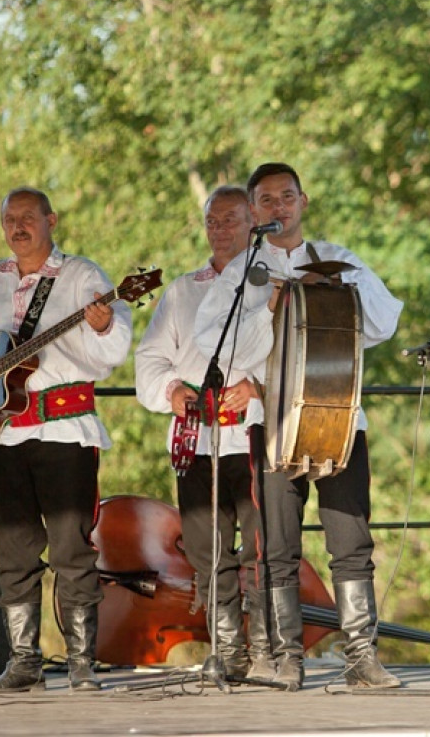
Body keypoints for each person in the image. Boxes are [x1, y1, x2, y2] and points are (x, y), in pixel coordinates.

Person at [194, 162, 404, 691]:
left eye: (287, 197)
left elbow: (382, 323)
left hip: (337, 416)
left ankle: (362, 658)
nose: (278, 208)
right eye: (266, 200)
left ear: (303, 202)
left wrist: (336, 288)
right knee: (278, 545)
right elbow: (214, 346)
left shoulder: (340, 259)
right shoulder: (241, 272)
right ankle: (289, 658)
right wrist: (269, 305)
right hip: (272, 422)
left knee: (351, 539)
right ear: (252, 210)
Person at [0, 187, 132, 692]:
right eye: (10, 219)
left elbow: (115, 352)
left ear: (51, 220)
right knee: (14, 548)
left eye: (28, 218)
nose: (18, 227)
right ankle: (24, 662)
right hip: (1, 431)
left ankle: (82, 661)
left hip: (64, 428)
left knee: (70, 545)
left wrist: (103, 328)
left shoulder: (83, 276)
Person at [134, 186, 264, 682]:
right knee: (207, 550)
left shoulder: (268, 282)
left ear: (253, 221)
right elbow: (150, 357)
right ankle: (228, 652)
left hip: (251, 435)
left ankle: (269, 647)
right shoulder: (184, 290)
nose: (220, 229)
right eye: (213, 221)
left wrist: (257, 386)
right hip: (197, 440)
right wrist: (169, 390)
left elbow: (288, 353)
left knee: (261, 545)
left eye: (230, 220)